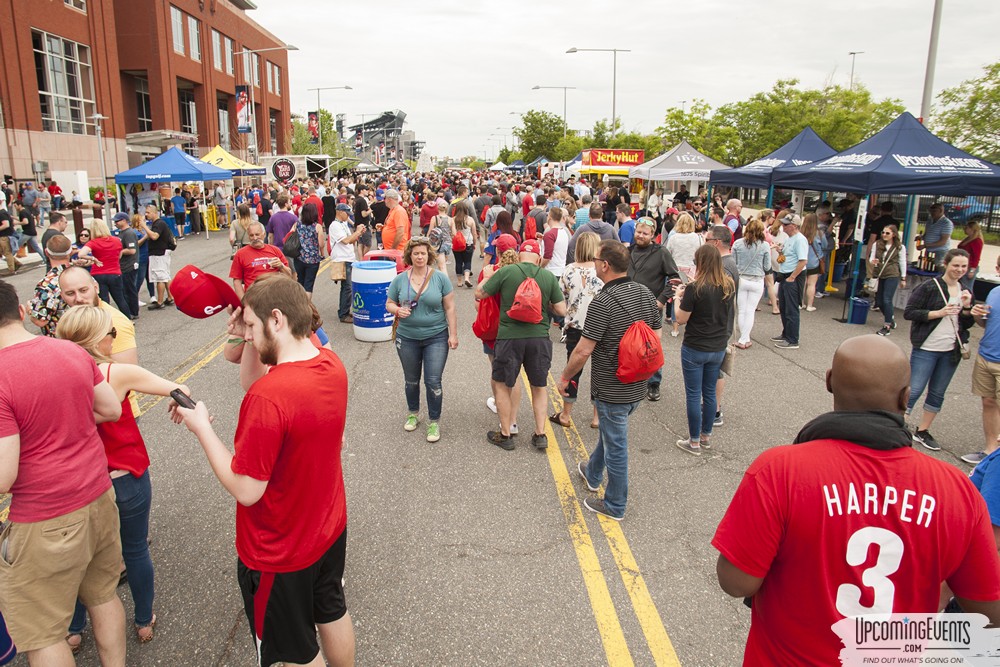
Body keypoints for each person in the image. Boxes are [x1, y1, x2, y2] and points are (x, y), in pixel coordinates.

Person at [712, 334, 1000, 666]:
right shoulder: (956, 490)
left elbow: (736, 582)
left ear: (830, 382)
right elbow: (987, 611)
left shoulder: (779, 471)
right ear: (906, 397)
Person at [172, 276, 356, 667]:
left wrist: (202, 427)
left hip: (280, 549)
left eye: (252, 326)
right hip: (327, 527)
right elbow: (259, 377)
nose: (248, 336)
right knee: (331, 611)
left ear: (276, 319)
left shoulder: (269, 399)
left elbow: (247, 489)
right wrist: (249, 335)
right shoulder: (329, 363)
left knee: (295, 654)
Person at [0, 280, 127, 666]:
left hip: (43, 516)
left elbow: (4, 476)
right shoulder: (69, 351)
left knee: (42, 631)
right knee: (104, 595)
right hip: (97, 495)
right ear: (21, 311)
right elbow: (110, 409)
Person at [56, 305, 191, 645]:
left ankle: (74, 629)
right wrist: (178, 400)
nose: (114, 341)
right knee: (134, 549)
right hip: (124, 474)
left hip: (78, 482)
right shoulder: (116, 373)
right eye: (111, 335)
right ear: (100, 340)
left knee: (78, 559)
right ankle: (144, 620)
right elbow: (178, 388)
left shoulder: (53, 373)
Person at [558, 239, 659, 520]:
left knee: (617, 446)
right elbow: (657, 338)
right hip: (637, 382)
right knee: (612, 432)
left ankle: (615, 504)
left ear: (604, 265)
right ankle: (592, 473)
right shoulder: (645, 294)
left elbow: (583, 349)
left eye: (595, 260)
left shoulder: (603, 302)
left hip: (611, 385)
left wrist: (565, 377)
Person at [476, 239, 567, 450]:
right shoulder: (546, 276)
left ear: (519, 255)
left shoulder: (506, 272)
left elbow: (480, 294)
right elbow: (562, 311)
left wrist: (487, 277)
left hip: (509, 337)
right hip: (539, 338)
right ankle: (540, 434)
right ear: (537, 257)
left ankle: (506, 435)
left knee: (501, 384)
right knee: (539, 386)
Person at [385, 238, 458, 443]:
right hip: (407, 337)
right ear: (410, 255)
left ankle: (434, 421)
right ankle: (413, 413)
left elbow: (450, 307)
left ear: (429, 256)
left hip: (436, 336)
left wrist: (453, 334)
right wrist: (398, 310)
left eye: (423, 253)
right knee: (411, 379)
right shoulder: (399, 279)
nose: (419, 257)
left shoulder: (440, 279)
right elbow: (389, 303)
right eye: (416, 253)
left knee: (433, 380)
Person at [903, 248, 975, 452]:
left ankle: (923, 430)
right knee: (914, 388)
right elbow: (910, 312)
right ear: (945, 264)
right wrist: (939, 313)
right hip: (927, 346)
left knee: (937, 392)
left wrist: (968, 308)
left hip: (951, 350)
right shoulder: (930, 287)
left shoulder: (965, 290)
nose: (959, 270)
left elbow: (967, 324)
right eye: (956, 266)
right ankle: (899, 422)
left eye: (963, 266)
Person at [673, 244, 735, 455]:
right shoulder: (728, 284)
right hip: (717, 346)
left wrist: (678, 298)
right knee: (709, 393)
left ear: (700, 262)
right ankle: (706, 436)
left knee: (693, 394)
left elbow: (681, 319)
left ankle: (694, 441)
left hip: (695, 346)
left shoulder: (695, 287)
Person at [554, 232, 603, 429]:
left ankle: (566, 414)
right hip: (599, 326)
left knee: (573, 368)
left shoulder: (568, 270)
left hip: (575, 325)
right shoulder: (602, 271)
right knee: (599, 370)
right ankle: (597, 417)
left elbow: (561, 296)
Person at [626, 218, 679, 401]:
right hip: (627, 306)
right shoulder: (628, 251)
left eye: (645, 233)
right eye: (638, 232)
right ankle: (631, 376)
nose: (640, 236)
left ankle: (654, 383)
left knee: (651, 346)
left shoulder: (661, 253)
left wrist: (661, 300)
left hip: (650, 308)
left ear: (653, 236)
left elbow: (675, 279)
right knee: (628, 343)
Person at [58, 265, 138, 364]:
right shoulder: (74, 319)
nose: (78, 298)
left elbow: (127, 372)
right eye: (70, 293)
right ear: (62, 296)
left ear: (96, 288)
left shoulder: (113, 322)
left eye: (83, 290)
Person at [967, 256, 1000, 465]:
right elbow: (985, 324)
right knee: (988, 402)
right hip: (986, 355)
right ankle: (990, 452)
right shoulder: (994, 292)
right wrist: (976, 314)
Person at [78, 219, 132, 319]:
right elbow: (119, 255)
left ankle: (106, 321)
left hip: (98, 273)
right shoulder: (116, 240)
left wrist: (93, 258)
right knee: (120, 299)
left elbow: (81, 254)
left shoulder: (93, 243)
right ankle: (128, 319)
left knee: (104, 300)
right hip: (115, 272)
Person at [731, 218, 771, 349]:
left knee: (741, 310)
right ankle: (744, 338)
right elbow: (767, 266)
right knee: (750, 310)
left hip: (741, 278)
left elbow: (733, 262)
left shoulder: (738, 243)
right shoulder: (765, 246)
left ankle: (744, 338)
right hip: (757, 279)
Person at [772, 213, 808, 349]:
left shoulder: (800, 240)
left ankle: (793, 339)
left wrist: (792, 277)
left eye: (786, 224)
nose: (783, 226)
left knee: (791, 308)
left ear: (794, 226)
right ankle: (786, 334)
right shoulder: (790, 238)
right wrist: (781, 251)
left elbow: (803, 260)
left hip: (793, 276)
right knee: (784, 306)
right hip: (786, 274)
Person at [230, 222, 292, 299]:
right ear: (248, 237)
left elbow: (289, 275)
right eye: (251, 235)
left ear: (264, 234)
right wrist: (243, 301)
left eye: (257, 234)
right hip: (253, 297)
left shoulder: (275, 250)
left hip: (275, 296)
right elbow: (237, 281)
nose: (255, 238)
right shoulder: (240, 254)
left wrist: (281, 266)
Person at [29, 235, 74, 336]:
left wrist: (29, 310)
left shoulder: (46, 285)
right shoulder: (83, 275)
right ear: (71, 252)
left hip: (62, 341)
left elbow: (40, 320)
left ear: (46, 252)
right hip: (88, 335)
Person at [328, 203, 365, 323]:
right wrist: (357, 231)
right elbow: (346, 240)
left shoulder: (343, 224)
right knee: (347, 287)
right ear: (340, 212)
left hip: (348, 257)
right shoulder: (334, 225)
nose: (348, 216)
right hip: (342, 258)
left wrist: (359, 233)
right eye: (346, 213)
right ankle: (343, 314)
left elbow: (351, 240)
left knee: (348, 287)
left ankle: (345, 311)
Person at [869, 224, 907, 335]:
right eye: (883, 232)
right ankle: (890, 320)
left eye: (887, 233)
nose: (884, 235)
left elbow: (902, 262)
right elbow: (872, 257)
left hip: (892, 274)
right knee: (879, 301)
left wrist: (903, 278)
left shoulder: (899, 247)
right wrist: (873, 261)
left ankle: (887, 326)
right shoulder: (877, 244)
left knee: (887, 299)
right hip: (880, 273)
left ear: (894, 235)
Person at [139, 204, 175, 309]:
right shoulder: (159, 224)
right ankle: (170, 296)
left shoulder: (158, 224)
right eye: (146, 212)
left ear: (155, 213)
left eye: (148, 212)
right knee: (165, 276)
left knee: (160, 277)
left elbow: (154, 236)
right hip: (162, 253)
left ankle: (159, 301)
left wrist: (144, 226)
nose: (146, 215)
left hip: (159, 253)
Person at [111, 212, 140, 320]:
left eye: (117, 221)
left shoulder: (129, 233)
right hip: (123, 266)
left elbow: (132, 250)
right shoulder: (122, 233)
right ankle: (130, 310)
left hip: (129, 265)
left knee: (129, 289)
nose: (115, 223)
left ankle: (133, 311)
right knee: (125, 289)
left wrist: (122, 252)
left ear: (124, 220)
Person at [294, 203, 326, 298]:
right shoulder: (317, 226)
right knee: (309, 284)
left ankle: (299, 303)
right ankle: (306, 306)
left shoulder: (297, 224)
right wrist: (322, 254)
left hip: (299, 257)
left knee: (300, 281)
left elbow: (290, 235)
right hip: (313, 259)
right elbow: (321, 244)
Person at [265, 195, 300, 280]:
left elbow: (270, 235)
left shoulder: (273, 217)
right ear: (285, 204)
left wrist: (271, 247)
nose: (290, 204)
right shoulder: (293, 217)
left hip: (277, 248)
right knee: (293, 271)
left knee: (279, 271)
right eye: (289, 202)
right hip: (290, 249)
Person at [922, 202, 954, 269]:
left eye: (934, 211)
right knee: (926, 267)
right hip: (929, 250)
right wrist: (921, 237)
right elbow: (927, 234)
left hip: (939, 252)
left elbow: (943, 242)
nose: (932, 213)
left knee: (936, 269)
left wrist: (925, 245)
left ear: (941, 211)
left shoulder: (946, 223)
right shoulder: (930, 220)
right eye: (931, 211)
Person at [452, 205, 477, 288]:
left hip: (456, 244)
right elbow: (474, 233)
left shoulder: (453, 220)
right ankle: (466, 278)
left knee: (458, 262)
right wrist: (475, 243)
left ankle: (459, 281)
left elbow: (452, 233)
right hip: (468, 243)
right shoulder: (470, 219)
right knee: (467, 261)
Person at [427, 201, 453, 274]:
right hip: (448, 243)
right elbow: (454, 233)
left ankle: (445, 282)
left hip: (438, 244)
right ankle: (442, 280)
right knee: (442, 264)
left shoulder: (434, 218)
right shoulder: (450, 219)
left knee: (442, 266)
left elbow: (430, 231)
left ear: (438, 208)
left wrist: (427, 240)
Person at [0, 206, 21, 276]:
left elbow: (6, 224)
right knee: (4, 252)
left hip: (4, 236)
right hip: (6, 235)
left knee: (7, 253)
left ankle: (11, 270)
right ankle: (16, 263)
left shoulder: (1, 214)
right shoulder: (5, 212)